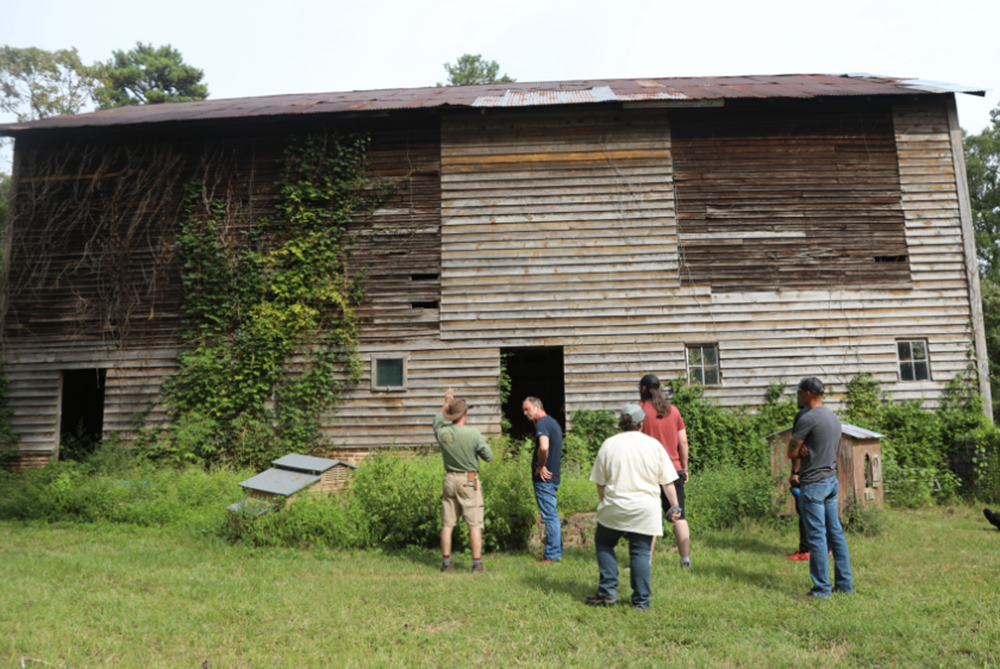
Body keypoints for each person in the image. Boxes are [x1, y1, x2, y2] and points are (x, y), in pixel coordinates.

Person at [587, 404, 682, 611]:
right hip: (645, 510)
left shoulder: (609, 445)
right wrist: (674, 506)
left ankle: (607, 591)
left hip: (615, 506)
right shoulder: (653, 445)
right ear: (641, 422)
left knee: (604, 542)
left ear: (621, 422)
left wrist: (605, 503)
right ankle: (641, 602)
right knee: (640, 553)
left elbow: (600, 483)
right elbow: (667, 482)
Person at [787, 376, 854, 598]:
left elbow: (791, 451)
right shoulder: (833, 417)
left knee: (817, 537)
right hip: (831, 482)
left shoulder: (808, 418)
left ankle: (821, 589)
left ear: (807, 394)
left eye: (799, 392)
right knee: (836, 534)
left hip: (813, 484)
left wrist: (802, 448)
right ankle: (844, 585)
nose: (797, 396)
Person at [433, 388, 493, 573]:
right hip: (469, 479)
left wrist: (446, 402)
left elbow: (436, 422)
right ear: (465, 413)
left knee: (448, 524)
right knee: (474, 524)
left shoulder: (443, 433)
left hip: (449, 478)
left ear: (450, 415)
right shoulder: (473, 434)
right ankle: (476, 564)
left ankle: (446, 563)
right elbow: (489, 456)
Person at [637, 374, 692, 568]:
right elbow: (683, 442)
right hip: (673, 469)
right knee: (680, 515)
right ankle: (685, 560)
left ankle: (647, 561)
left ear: (643, 389)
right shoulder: (673, 411)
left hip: (648, 472)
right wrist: (683, 467)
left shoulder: (639, 411)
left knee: (649, 517)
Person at [522, 396, 563, 564]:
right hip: (552, 478)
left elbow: (544, 446)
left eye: (527, 409)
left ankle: (552, 555)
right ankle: (554, 551)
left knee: (550, 517)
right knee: (552, 515)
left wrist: (540, 465)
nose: (525, 413)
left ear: (537, 406)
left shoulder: (542, 423)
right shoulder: (553, 422)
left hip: (544, 480)